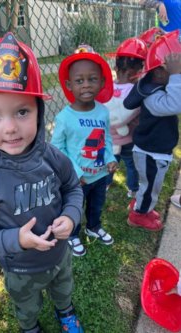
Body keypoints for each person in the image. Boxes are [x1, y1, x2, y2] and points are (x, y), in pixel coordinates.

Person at [0, 32, 84, 333]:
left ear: (39, 111)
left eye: (22, 111)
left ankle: (65, 312)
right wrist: (15, 240)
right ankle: (30, 327)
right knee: (26, 306)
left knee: (64, 289)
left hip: (59, 254)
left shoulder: (52, 157)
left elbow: (72, 187)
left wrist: (71, 215)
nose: (11, 128)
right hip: (20, 267)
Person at [51, 45, 117, 257]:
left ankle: (94, 226)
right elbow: (57, 149)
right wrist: (75, 173)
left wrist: (110, 158)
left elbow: (105, 138)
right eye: (79, 81)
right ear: (70, 85)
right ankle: (73, 234)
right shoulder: (64, 117)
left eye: (92, 79)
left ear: (103, 82)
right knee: (75, 209)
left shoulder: (103, 112)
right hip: (77, 179)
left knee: (97, 204)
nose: (86, 85)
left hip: (100, 174)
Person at [124, 30, 181, 231]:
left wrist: (172, 74)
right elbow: (176, 103)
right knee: (150, 187)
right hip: (151, 154)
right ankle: (139, 214)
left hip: (153, 152)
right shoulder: (153, 97)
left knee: (147, 185)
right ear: (158, 73)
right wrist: (176, 75)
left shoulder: (157, 86)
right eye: (175, 71)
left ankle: (142, 205)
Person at [104, 37, 147, 198]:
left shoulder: (108, 86)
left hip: (110, 138)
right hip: (128, 138)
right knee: (131, 165)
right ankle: (133, 188)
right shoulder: (136, 89)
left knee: (110, 162)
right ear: (134, 73)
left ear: (116, 67)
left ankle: (106, 183)